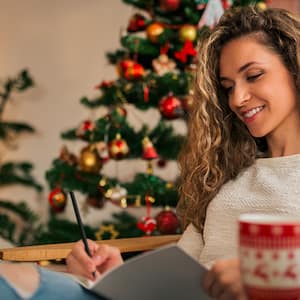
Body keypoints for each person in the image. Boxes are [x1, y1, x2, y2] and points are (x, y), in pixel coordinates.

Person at [3, 5, 300, 300]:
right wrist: (116, 274)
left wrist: (262, 282)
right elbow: (180, 271)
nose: (238, 98)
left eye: (254, 75)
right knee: (14, 279)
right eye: (228, 86)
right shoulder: (228, 173)